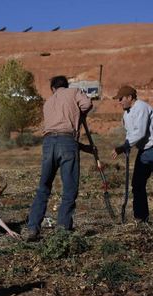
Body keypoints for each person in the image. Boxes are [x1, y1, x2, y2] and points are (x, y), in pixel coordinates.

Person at [26, 75, 93, 241]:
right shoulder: (74, 92)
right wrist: (79, 113)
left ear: (53, 88)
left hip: (48, 143)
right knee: (69, 188)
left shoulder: (48, 102)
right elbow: (87, 104)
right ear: (66, 85)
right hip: (67, 141)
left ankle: (33, 228)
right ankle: (62, 229)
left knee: (44, 187)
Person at [111, 85, 153, 223]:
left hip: (151, 148)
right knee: (137, 183)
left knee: (138, 183)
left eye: (121, 98)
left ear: (130, 97)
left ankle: (141, 217)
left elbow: (140, 132)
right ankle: (141, 218)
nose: (119, 102)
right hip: (145, 150)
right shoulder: (127, 113)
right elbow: (131, 134)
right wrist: (127, 146)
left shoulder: (141, 107)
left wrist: (124, 147)